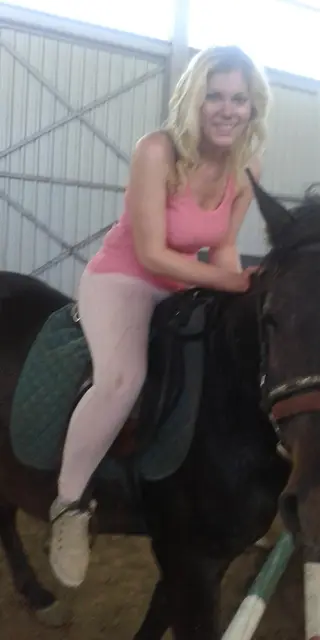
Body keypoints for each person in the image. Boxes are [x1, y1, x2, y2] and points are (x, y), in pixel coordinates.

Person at [48, 44, 272, 588]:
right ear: (195, 100)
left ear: (253, 106)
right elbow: (150, 253)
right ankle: (69, 504)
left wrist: (235, 298)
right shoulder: (156, 151)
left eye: (238, 99)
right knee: (122, 380)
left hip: (184, 285)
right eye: (214, 96)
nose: (227, 109)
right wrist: (229, 282)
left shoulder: (247, 167)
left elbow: (222, 248)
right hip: (123, 278)